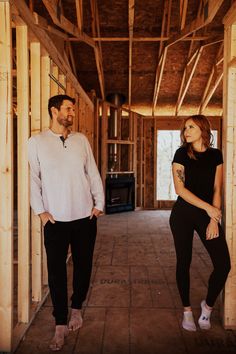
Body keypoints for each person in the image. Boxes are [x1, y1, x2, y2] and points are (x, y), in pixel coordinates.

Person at [28, 94, 104, 351]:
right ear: (54, 111)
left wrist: (99, 204)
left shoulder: (81, 140)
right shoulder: (36, 142)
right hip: (55, 220)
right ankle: (60, 321)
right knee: (56, 271)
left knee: (84, 266)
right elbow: (33, 179)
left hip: (85, 216)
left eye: (73, 109)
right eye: (68, 109)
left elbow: (92, 172)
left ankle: (76, 308)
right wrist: (40, 212)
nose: (72, 113)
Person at [169, 114, 231, 332]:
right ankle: (186, 311)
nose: (186, 131)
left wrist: (214, 220)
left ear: (203, 129)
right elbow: (180, 190)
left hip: (207, 214)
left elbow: (216, 189)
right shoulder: (181, 153)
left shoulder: (216, 155)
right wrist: (210, 209)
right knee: (183, 262)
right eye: (185, 127)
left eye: (191, 127)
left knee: (224, 265)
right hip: (183, 214)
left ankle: (208, 306)